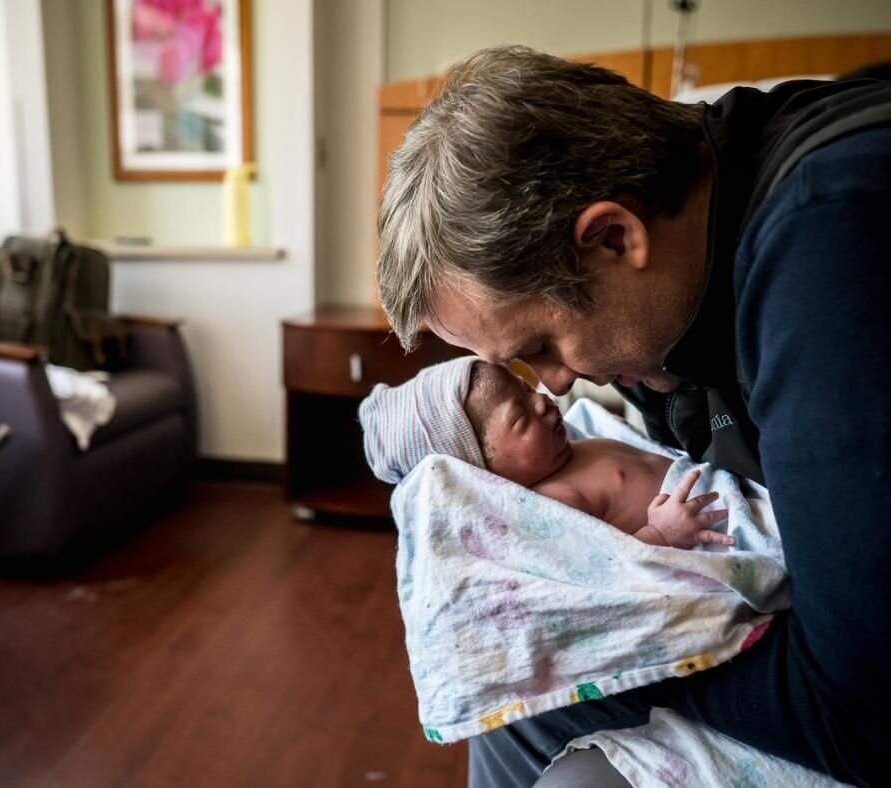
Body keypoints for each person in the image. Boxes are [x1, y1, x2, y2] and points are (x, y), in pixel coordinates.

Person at [376, 46, 891, 787]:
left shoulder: (829, 252)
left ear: (615, 237)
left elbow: (864, 716)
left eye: (543, 345)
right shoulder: (686, 286)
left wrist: (603, 655)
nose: (556, 386)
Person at [359, 355, 733, 548]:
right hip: (706, 529)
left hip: (719, 487)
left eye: (525, 388)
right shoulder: (554, 502)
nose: (540, 402)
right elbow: (607, 567)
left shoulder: (570, 448)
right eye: (520, 418)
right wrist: (661, 535)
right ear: (483, 473)